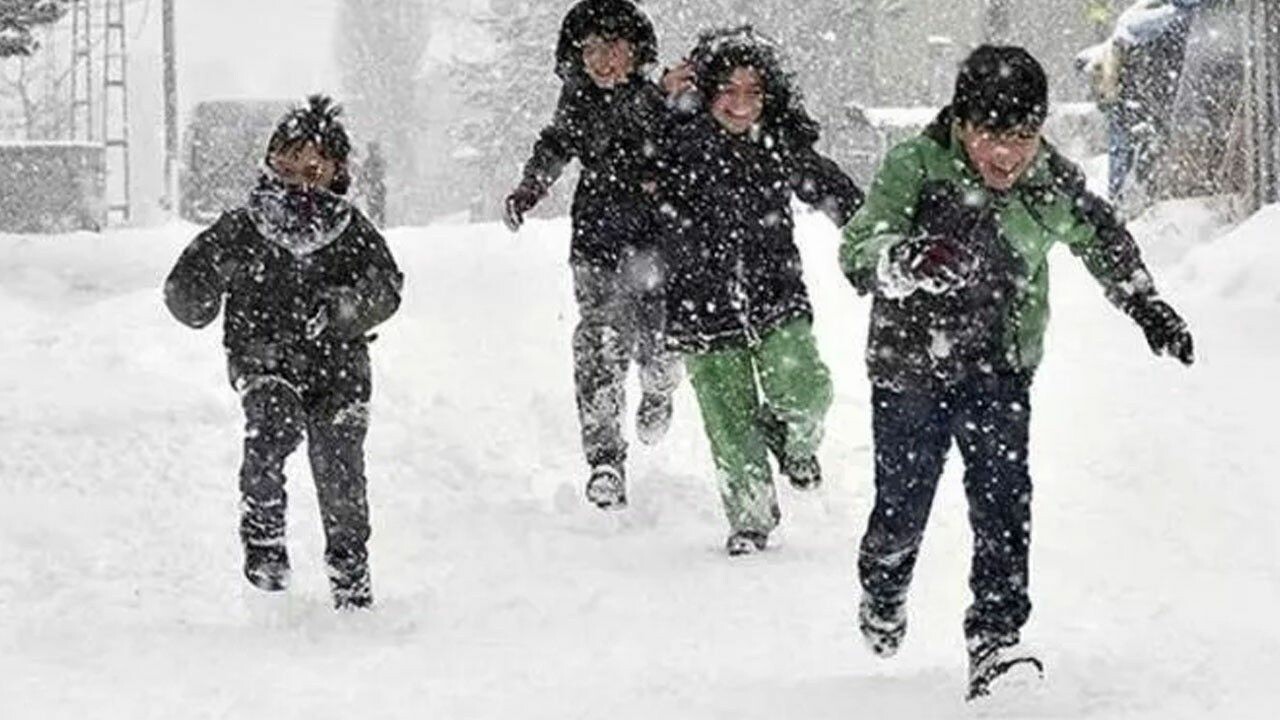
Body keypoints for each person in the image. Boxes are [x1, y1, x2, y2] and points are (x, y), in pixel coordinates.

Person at [839, 46, 1194, 698]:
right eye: (990, 138)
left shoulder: (1048, 180)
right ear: (962, 124)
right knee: (902, 508)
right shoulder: (914, 167)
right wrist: (909, 260)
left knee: (1003, 506)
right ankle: (884, 582)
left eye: (1023, 138)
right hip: (909, 371)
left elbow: (1100, 235)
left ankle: (996, 643)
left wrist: (1145, 302)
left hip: (1000, 370)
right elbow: (859, 251)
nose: (1006, 156)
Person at [164, 95, 404, 611]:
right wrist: (200, 292)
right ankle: (264, 531)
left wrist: (345, 309)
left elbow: (387, 288)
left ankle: (350, 569)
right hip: (262, 358)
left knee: (340, 468)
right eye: (285, 164)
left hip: (338, 371)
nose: (296, 179)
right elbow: (186, 284)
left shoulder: (350, 231)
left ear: (337, 172)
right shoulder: (242, 227)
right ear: (269, 161)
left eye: (311, 169)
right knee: (272, 428)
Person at [658, 26, 863, 556]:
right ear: (704, 91)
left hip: (775, 292)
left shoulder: (779, 142)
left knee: (806, 388)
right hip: (699, 301)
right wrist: (658, 97)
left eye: (754, 92)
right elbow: (622, 152)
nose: (741, 104)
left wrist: (871, 238)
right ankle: (749, 519)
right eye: (728, 89)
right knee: (729, 421)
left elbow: (836, 192)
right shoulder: (674, 139)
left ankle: (793, 441)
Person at [503, 0, 681, 510]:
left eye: (616, 49)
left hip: (654, 244)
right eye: (593, 49)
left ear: (636, 53)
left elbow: (670, 143)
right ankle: (605, 458)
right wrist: (529, 188)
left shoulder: (657, 100)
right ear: (576, 55)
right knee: (599, 342)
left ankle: (659, 386)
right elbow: (556, 144)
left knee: (660, 341)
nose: (604, 61)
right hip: (597, 244)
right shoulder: (576, 102)